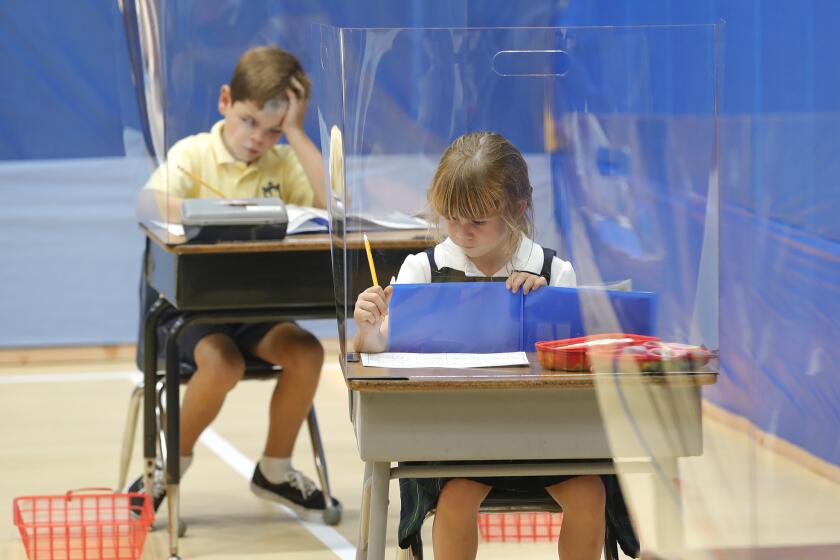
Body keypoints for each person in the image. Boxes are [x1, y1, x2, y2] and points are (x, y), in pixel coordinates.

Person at [353, 131, 631, 559]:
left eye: (477, 221)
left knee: (591, 492)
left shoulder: (554, 272)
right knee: (457, 497)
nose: (462, 232)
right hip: (456, 441)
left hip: (545, 440)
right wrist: (368, 330)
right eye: (451, 218)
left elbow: (579, 362)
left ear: (517, 207)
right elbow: (377, 353)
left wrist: (546, 307)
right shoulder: (421, 270)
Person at [130, 45, 337, 520]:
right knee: (222, 364)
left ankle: (275, 471)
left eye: (272, 131)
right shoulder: (194, 153)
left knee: (306, 352)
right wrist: (218, 214)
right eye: (248, 121)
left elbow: (331, 207)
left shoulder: (283, 164)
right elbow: (147, 205)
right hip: (190, 313)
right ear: (226, 100)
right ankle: (166, 467)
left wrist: (297, 133)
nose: (256, 139)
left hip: (256, 311)